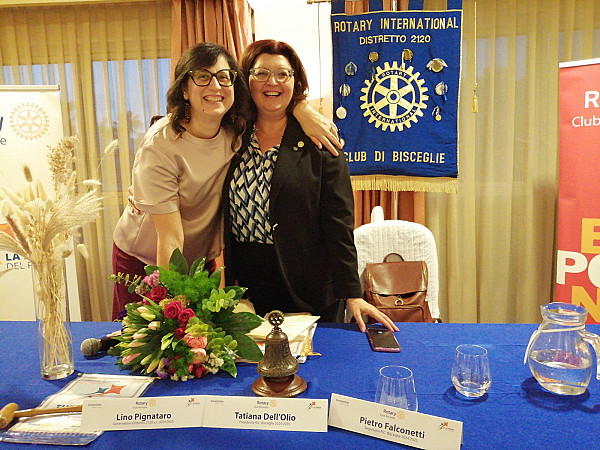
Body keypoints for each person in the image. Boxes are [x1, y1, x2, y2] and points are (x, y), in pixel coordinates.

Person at [112, 42, 341, 320]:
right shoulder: (161, 145)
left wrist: (303, 109)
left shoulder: (235, 128)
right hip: (148, 260)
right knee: (150, 339)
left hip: (199, 258)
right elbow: (169, 238)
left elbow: (273, 98)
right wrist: (173, 305)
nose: (215, 86)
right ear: (184, 89)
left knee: (201, 340)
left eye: (224, 77)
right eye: (202, 77)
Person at [223, 40, 398, 333]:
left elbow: (339, 222)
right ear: (246, 80)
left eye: (283, 74)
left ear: (295, 81)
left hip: (308, 286)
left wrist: (352, 292)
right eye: (261, 73)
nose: (272, 82)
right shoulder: (231, 136)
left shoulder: (319, 140)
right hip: (246, 286)